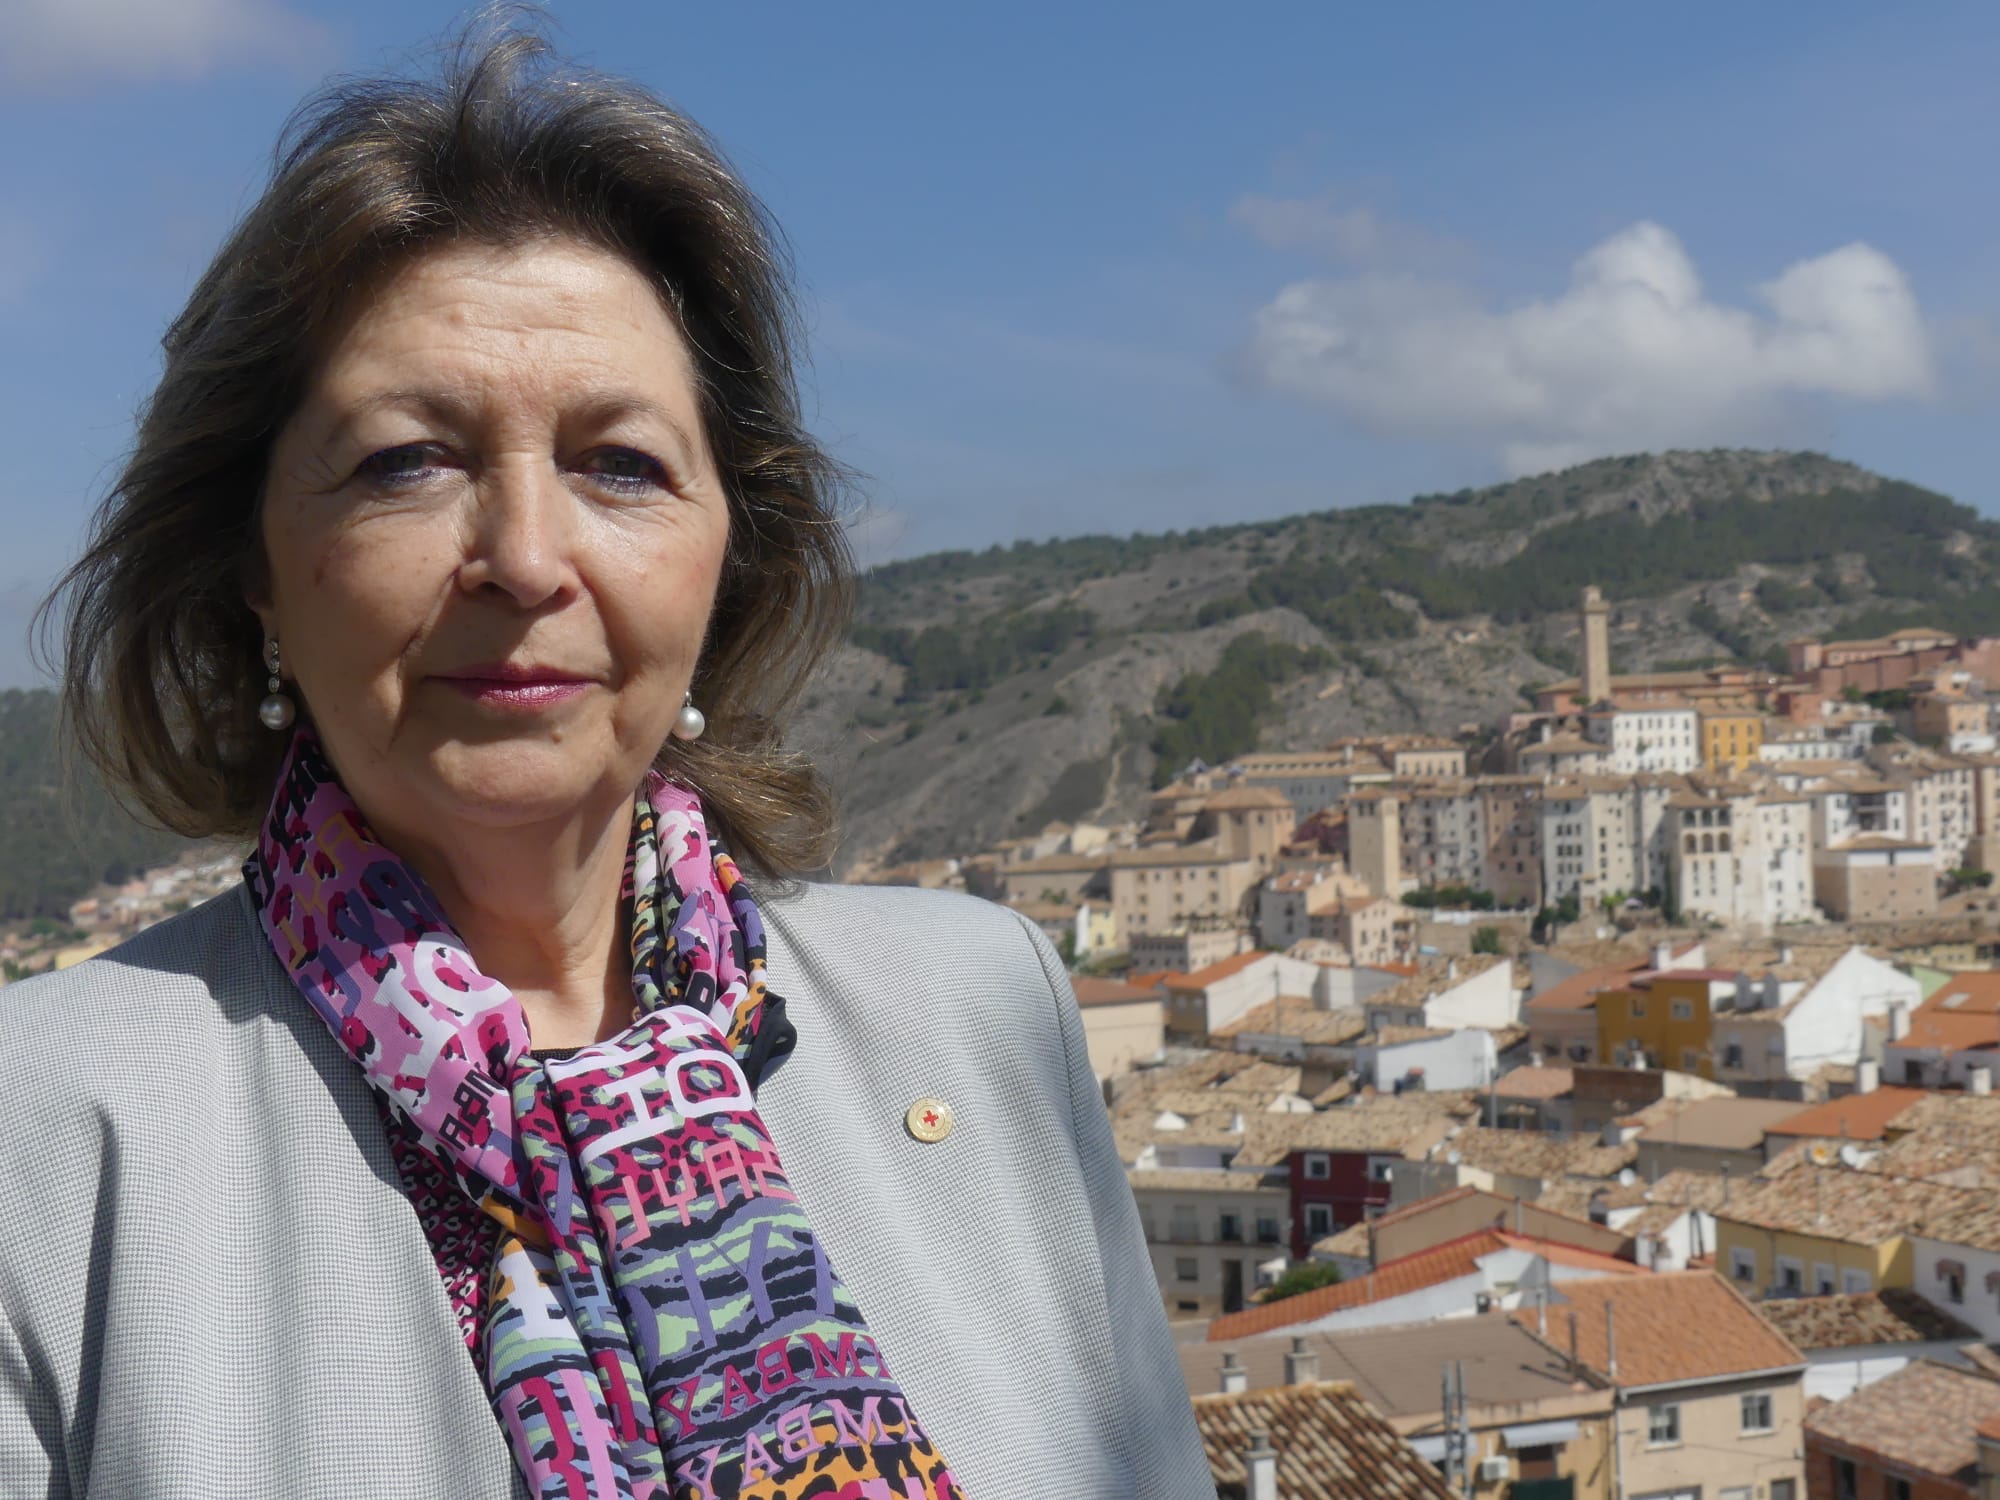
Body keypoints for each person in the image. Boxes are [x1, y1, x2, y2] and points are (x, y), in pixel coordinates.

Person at [0, 30, 1210, 1500]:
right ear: (255, 564)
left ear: (723, 555)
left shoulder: (980, 1011)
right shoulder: (47, 1140)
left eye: (619, 464)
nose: (523, 557)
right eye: (405, 462)